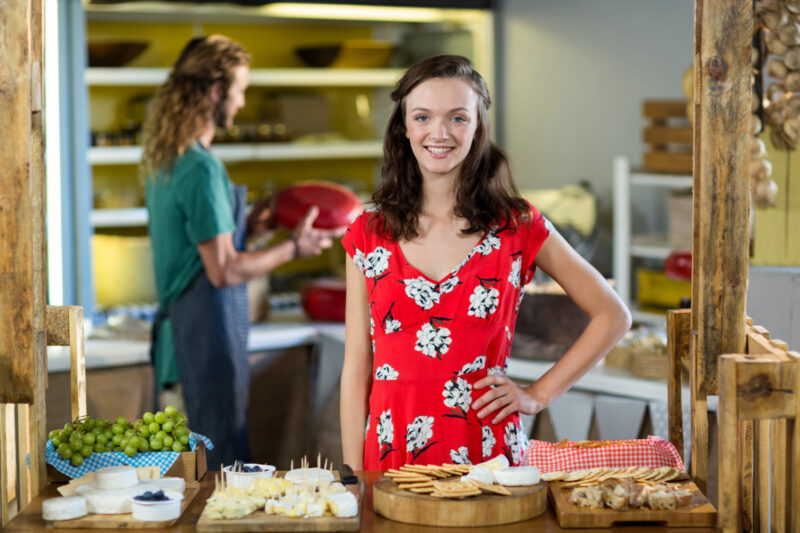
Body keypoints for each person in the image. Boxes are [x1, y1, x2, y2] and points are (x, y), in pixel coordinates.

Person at [339, 55, 631, 470]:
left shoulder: (518, 225)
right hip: (390, 459)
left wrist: (538, 394)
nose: (439, 133)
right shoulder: (367, 233)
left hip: (488, 457)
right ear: (404, 127)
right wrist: (353, 480)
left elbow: (613, 315)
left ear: (477, 127)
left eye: (458, 118)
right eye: (423, 116)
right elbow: (355, 370)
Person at [141, 35, 344, 467]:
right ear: (215, 91)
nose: (241, 100)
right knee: (213, 483)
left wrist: (248, 229)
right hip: (200, 346)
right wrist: (295, 246)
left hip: (183, 345)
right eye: (239, 88)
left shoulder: (170, 158)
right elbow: (224, 272)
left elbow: (199, 254)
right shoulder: (200, 168)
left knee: (196, 484)